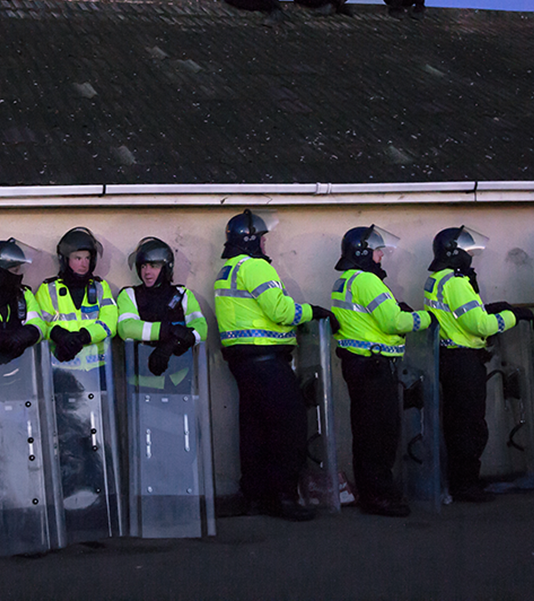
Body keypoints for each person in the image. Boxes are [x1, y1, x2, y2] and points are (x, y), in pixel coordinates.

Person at [214, 209, 334, 521]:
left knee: (254, 431)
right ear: (253, 240)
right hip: (267, 362)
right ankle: (283, 497)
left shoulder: (227, 270)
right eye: (264, 239)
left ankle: (254, 495)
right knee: (289, 428)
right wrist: (312, 312)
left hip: (243, 363)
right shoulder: (256, 268)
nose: (267, 246)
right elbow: (280, 311)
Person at [330, 225, 430, 517]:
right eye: (377, 251)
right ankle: (380, 497)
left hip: (358, 365)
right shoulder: (368, 281)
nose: (381, 256)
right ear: (363, 252)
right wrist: (425, 318)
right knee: (381, 434)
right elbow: (393, 323)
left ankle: (371, 493)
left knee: (365, 433)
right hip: (375, 368)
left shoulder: (345, 280)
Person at [422, 226, 527, 502]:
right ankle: (466, 484)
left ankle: (461, 481)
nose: (471, 258)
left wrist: (490, 308)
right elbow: (479, 325)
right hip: (463, 361)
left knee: (458, 424)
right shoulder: (456, 282)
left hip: (449, 358)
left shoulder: (437, 280)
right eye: (468, 252)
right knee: (469, 426)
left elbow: (458, 316)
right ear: (454, 253)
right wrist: (512, 316)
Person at [116, 237, 207, 376]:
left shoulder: (182, 294)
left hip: (180, 380)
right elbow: (126, 328)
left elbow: (201, 328)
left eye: (154, 266)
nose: (147, 272)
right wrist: (169, 331)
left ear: (166, 267)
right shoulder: (130, 294)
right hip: (142, 380)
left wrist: (172, 343)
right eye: (143, 266)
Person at [36, 227, 117, 363]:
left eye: (87, 258)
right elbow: (42, 324)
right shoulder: (48, 288)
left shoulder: (100, 287)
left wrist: (84, 336)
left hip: (97, 367)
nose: (84, 264)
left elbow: (110, 323)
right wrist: (60, 335)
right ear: (65, 260)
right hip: (59, 366)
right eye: (78, 258)